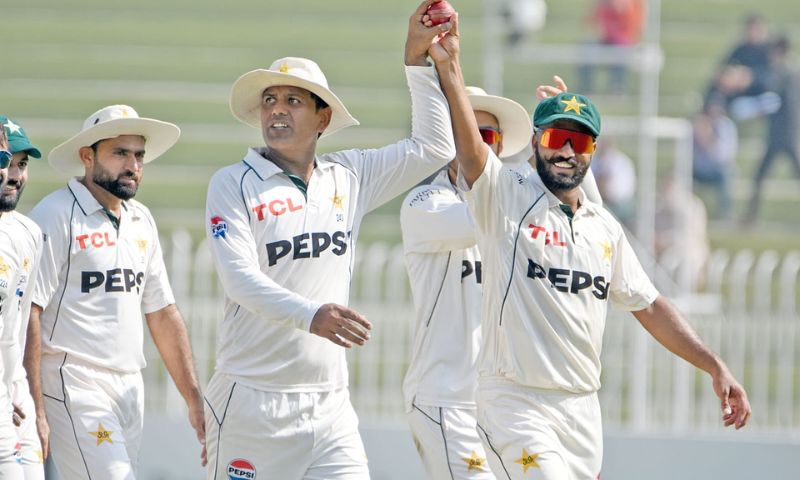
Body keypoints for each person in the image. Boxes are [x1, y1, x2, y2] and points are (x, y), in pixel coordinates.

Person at [437, 44, 751, 477]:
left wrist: (714, 365)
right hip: (516, 402)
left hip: (583, 410)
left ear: (593, 150)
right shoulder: (505, 196)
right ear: (534, 142)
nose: (566, 150)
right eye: (554, 137)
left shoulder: (603, 228)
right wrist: (449, 65)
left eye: (578, 139)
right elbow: (472, 151)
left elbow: (651, 306)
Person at [202, 1, 457, 478]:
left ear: (323, 119)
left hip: (329, 406)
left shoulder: (349, 175)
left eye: (293, 101)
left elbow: (434, 148)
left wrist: (416, 62)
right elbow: (239, 280)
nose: (277, 110)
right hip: (250, 401)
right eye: (270, 100)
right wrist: (311, 314)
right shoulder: (231, 182)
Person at [27, 104, 206, 479]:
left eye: (139, 155)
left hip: (129, 384)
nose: (133, 165)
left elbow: (162, 312)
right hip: (73, 378)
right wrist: (36, 407)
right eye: (120, 153)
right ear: (87, 156)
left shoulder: (141, 219)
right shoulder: (56, 214)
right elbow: (30, 311)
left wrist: (193, 396)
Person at [400, 86, 532, 480]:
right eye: (464, 133)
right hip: (446, 399)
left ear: (501, 146)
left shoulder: (516, 204)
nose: (474, 145)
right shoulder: (425, 203)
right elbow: (488, 216)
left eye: (485, 136)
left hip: (504, 405)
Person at [0, 116, 45, 479]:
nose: (14, 174)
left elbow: (21, 320)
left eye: (21, 164)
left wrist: (20, 387)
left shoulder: (29, 232)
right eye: (4, 161)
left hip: (15, 394)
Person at [744, 34, 800, 225]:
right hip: (784, 135)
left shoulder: (784, 74)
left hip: (784, 135)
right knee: (760, 177)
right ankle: (750, 217)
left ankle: (750, 217)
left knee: (760, 177)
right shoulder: (788, 73)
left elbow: (777, 102)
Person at [0, 123, 26, 478]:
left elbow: (12, 330)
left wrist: (11, 386)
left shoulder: (19, 236)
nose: (6, 170)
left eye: (4, 158)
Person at [578, 0, 644, 95]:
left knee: (620, 49)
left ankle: (617, 88)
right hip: (605, 39)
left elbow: (633, 28)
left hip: (622, 42)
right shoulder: (603, 5)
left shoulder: (632, 5)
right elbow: (591, 24)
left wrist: (622, 8)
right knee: (587, 48)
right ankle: (586, 88)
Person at [691, 101, 738, 221]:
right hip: (698, 170)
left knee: (726, 174)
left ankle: (724, 215)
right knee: (681, 174)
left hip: (718, 170)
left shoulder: (726, 127)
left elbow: (723, 157)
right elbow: (690, 155)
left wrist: (708, 140)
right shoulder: (698, 125)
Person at [590, 136, 636, 226]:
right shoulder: (594, 160)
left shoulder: (621, 162)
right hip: (600, 203)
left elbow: (616, 190)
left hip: (619, 205)